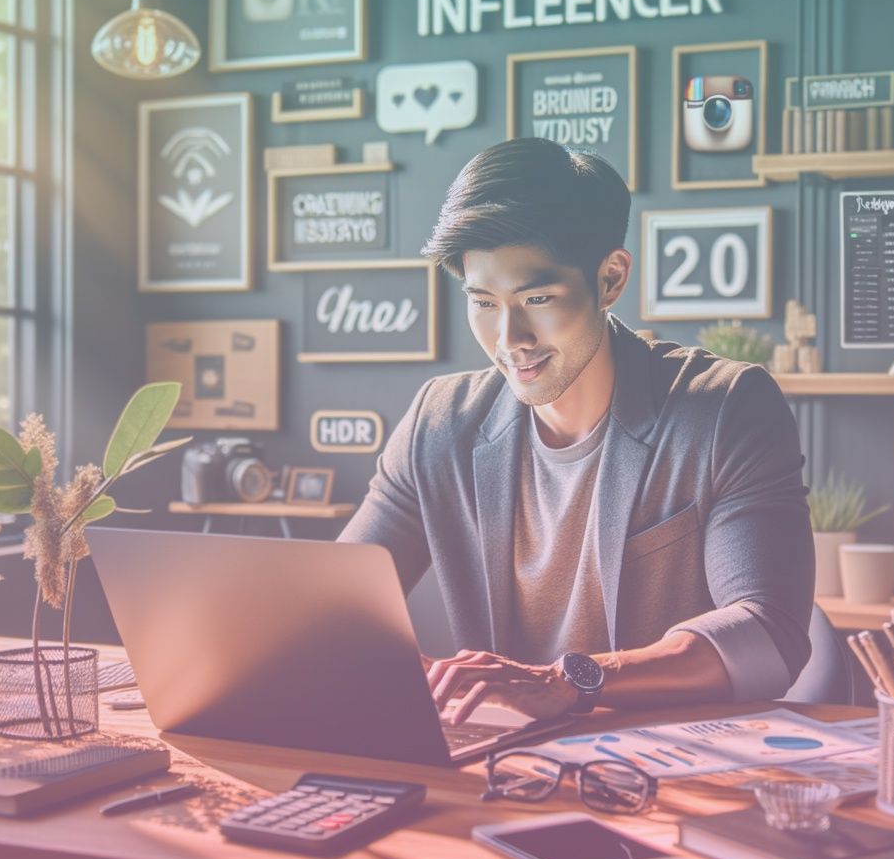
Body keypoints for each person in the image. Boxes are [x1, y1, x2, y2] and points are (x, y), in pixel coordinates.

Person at [340, 138, 814, 725]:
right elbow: (333, 606)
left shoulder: (723, 409)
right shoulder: (439, 423)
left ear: (611, 279)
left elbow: (771, 633)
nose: (510, 337)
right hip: (503, 764)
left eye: (537, 298)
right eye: (484, 302)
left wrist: (567, 681)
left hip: (666, 765)